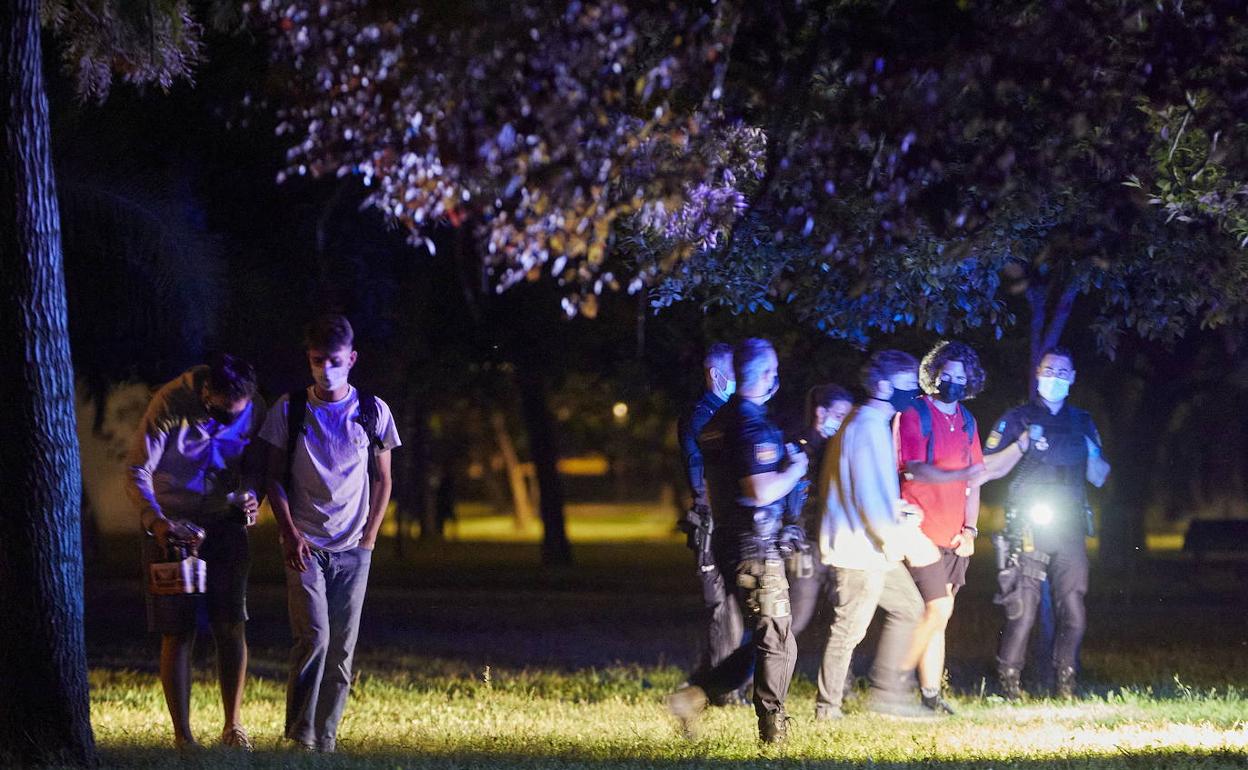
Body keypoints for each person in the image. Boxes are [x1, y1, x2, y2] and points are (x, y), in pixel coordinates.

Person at [260, 314, 401, 752]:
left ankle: (326, 739)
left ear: (352, 359)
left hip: (354, 547)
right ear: (309, 359)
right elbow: (272, 477)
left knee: (341, 648)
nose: (326, 368)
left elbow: (384, 478)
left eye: (335, 360)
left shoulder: (372, 411)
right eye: (318, 360)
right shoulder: (290, 409)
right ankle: (301, 736)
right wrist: (288, 532)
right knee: (314, 637)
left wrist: (371, 536)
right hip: (305, 544)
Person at [666, 338, 809, 743]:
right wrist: (796, 470)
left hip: (730, 541)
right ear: (764, 374)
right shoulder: (750, 423)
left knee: (769, 637)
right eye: (773, 370)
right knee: (778, 640)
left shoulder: (716, 422)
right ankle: (771, 729)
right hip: (755, 546)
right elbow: (760, 490)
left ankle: (697, 696)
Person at [126, 353, 265, 752]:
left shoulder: (254, 408)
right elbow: (138, 469)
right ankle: (183, 735)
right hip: (173, 524)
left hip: (225, 522)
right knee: (178, 629)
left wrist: (253, 496)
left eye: (233, 416)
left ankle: (233, 726)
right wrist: (157, 523)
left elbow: (257, 465)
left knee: (231, 622)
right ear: (206, 393)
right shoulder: (170, 402)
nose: (226, 421)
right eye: (219, 413)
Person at [978, 346, 1110, 699]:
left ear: (1073, 378)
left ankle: (1066, 682)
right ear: (1038, 373)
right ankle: (1009, 683)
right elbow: (988, 469)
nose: (1056, 378)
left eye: (1064, 372)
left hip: (1070, 526)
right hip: (1028, 525)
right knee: (1022, 607)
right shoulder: (1017, 418)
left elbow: (1099, 476)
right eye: (1050, 370)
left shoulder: (1082, 421)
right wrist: (1022, 444)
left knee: (1074, 607)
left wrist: (1091, 450)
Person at [815, 349, 940, 720]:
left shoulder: (869, 422)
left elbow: (867, 490)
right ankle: (828, 709)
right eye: (906, 385)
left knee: (909, 608)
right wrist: (897, 542)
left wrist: (898, 511)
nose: (913, 394)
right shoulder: (867, 427)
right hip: (860, 550)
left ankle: (886, 696)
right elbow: (868, 498)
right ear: (884, 385)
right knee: (849, 630)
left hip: (871, 547)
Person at [894, 341, 987, 714]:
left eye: (961, 377)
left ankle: (930, 695)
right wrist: (963, 473)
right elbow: (915, 468)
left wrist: (971, 530)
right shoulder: (916, 412)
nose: (953, 381)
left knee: (940, 617)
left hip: (953, 535)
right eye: (946, 374)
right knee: (932, 612)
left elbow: (975, 481)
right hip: (918, 534)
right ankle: (893, 685)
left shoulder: (967, 420)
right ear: (933, 375)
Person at [675, 343, 746, 704]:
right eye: (734, 372)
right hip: (712, 521)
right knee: (723, 606)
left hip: (727, 518)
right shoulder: (704, 416)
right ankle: (723, 692)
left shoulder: (727, 412)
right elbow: (705, 475)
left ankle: (710, 682)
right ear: (716, 375)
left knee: (736, 605)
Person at [788, 384, 854, 644]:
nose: (843, 422)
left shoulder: (839, 448)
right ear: (820, 412)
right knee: (797, 616)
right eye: (839, 415)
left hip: (836, 542)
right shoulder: (799, 447)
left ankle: (840, 683)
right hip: (807, 543)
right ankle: (747, 676)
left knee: (840, 616)